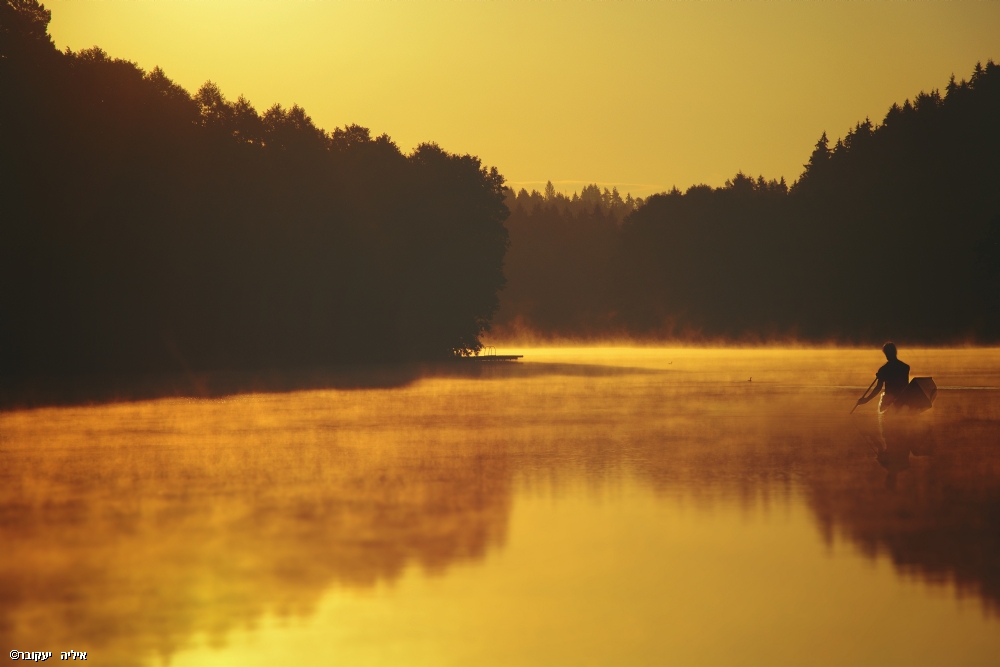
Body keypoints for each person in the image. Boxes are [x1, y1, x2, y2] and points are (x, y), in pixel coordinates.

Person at [856, 342, 910, 412]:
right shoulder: (905, 367)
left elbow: (879, 387)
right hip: (902, 401)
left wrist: (867, 399)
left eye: (888, 353)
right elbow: (905, 384)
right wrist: (866, 399)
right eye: (887, 353)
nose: (888, 355)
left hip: (893, 401)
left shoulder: (884, 370)